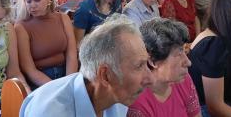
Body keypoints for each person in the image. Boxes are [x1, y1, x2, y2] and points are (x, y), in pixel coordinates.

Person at [20, 15, 153, 117]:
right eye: (139, 66)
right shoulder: (49, 112)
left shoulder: (118, 99)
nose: (149, 78)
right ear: (105, 75)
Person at [128, 18, 201, 117]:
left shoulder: (184, 79)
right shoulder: (137, 104)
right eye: (178, 54)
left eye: (184, 51)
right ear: (152, 61)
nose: (188, 62)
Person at [15, 0, 77, 89]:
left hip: (66, 72)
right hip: (40, 80)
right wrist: (57, 88)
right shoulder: (21, 27)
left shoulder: (63, 18)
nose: (32, 5)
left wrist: (69, 82)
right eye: (28, 1)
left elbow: (71, 54)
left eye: (37, 0)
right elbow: (29, 69)